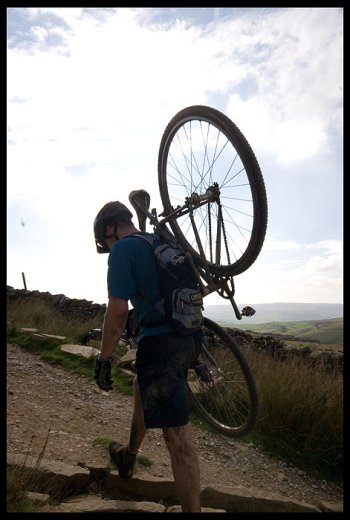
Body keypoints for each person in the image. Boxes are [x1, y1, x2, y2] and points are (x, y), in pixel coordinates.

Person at [93, 201, 202, 512]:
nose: (107, 245)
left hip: (161, 343)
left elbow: (117, 311)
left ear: (110, 229)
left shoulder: (123, 249)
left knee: (178, 439)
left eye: (105, 240)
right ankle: (129, 455)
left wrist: (104, 359)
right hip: (191, 335)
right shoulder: (160, 239)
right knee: (143, 387)